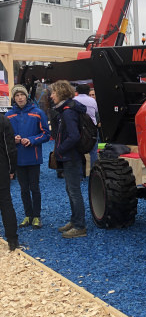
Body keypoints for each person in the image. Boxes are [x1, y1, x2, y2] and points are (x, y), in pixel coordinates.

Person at [5, 84, 50, 229]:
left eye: (22, 95)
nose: (20, 98)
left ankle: (36, 216)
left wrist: (31, 140)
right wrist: (14, 139)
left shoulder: (38, 113)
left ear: (26, 96)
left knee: (34, 188)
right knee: (23, 189)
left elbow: (46, 134)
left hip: (33, 156)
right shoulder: (8, 115)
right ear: (14, 98)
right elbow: (4, 136)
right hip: (17, 158)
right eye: (17, 95)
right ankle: (27, 215)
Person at [51, 80, 88, 238]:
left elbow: (74, 136)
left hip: (71, 156)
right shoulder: (66, 109)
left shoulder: (67, 111)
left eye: (53, 92)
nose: (51, 95)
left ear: (60, 93)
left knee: (74, 191)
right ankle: (75, 220)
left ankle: (79, 226)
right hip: (70, 156)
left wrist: (60, 149)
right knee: (70, 189)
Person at [0, 114, 19, 250]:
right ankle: (12, 240)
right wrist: (12, 168)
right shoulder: (3, 120)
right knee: (6, 201)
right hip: (1, 165)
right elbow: (9, 147)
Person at [75, 83, 99, 171]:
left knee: (78, 151)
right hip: (92, 128)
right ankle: (94, 172)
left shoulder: (74, 100)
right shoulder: (92, 101)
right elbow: (96, 111)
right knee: (93, 151)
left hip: (79, 128)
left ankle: (81, 173)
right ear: (88, 91)